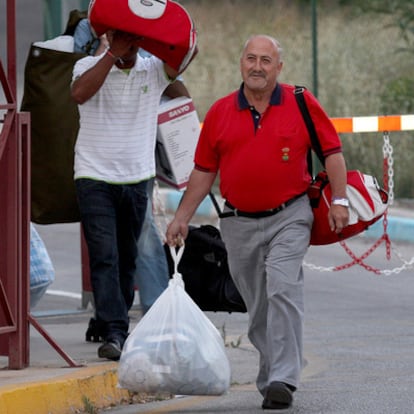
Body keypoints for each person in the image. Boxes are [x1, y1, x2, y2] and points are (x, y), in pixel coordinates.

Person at [166, 34, 349, 410]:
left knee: (282, 287)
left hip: (290, 215)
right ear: (241, 63)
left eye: (266, 61)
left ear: (278, 68)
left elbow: (331, 151)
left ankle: (283, 377)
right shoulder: (219, 112)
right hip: (238, 223)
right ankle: (271, 376)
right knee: (259, 306)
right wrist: (181, 217)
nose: (258, 67)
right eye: (251, 58)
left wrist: (341, 200)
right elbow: (203, 171)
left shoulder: (300, 102)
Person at [71, 29, 185, 361]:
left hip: (137, 179)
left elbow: (185, 59)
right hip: (93, 176)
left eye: (134, 41)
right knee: (104, 256)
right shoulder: (86, 67)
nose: (128, 47)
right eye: (122, 39)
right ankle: (115, 331)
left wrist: (155, 37)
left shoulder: (152, 70)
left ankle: (116, 327)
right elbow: (79, 94)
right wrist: (110, 54)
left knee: (126, 259)